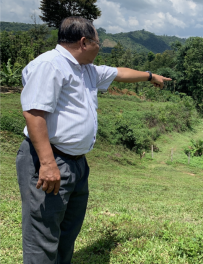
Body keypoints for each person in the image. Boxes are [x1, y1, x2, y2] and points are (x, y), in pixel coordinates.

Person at [16, 16, 172, 264]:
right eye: (99, 41)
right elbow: (34, 114)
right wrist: (47, 163)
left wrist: (150, 76)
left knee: (67, 232)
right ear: (84, 42)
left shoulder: (85, 69)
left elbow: (119, 73)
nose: (101, 46)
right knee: (42, 234)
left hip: (76, 163)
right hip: (49, 160)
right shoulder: (50, 65)